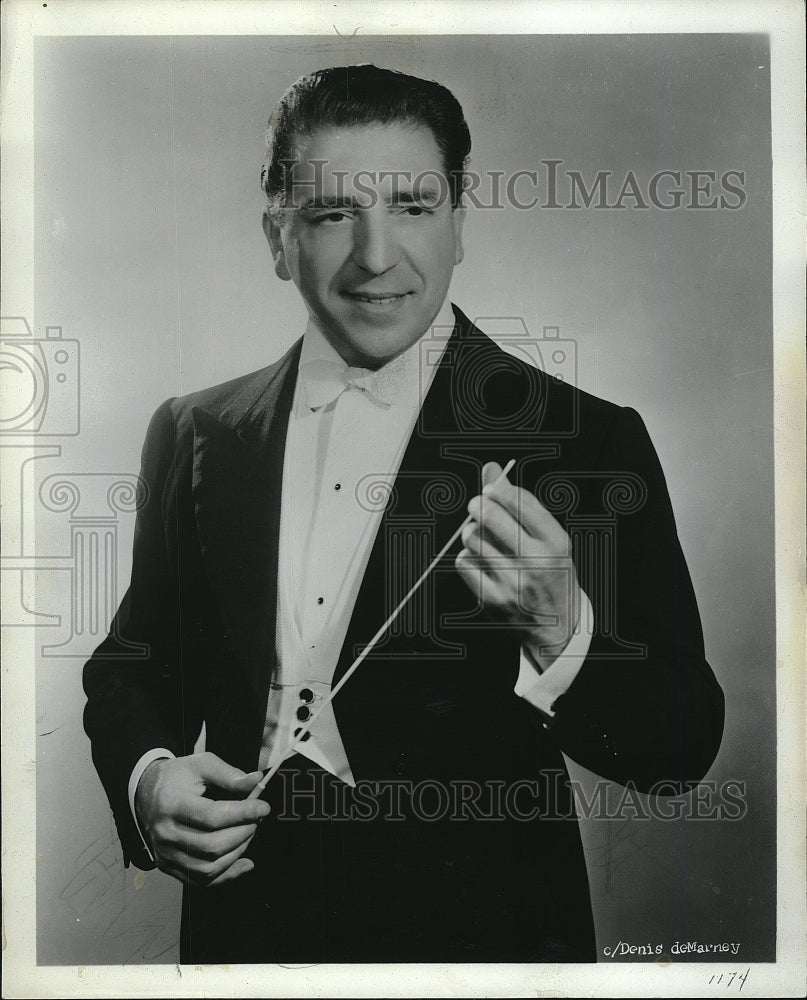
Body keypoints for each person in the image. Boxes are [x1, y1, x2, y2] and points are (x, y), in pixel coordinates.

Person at [83, 64, 725, 964]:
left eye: (413, 207)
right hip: (246, 940)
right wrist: (149, 780)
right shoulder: (192, 430)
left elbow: (678, 748)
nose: (376, 255)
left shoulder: (583, 440)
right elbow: (132, 667)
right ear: (277, 235)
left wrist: (561, 630)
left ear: (459, 222)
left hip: (491, 948)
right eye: (333, 212)